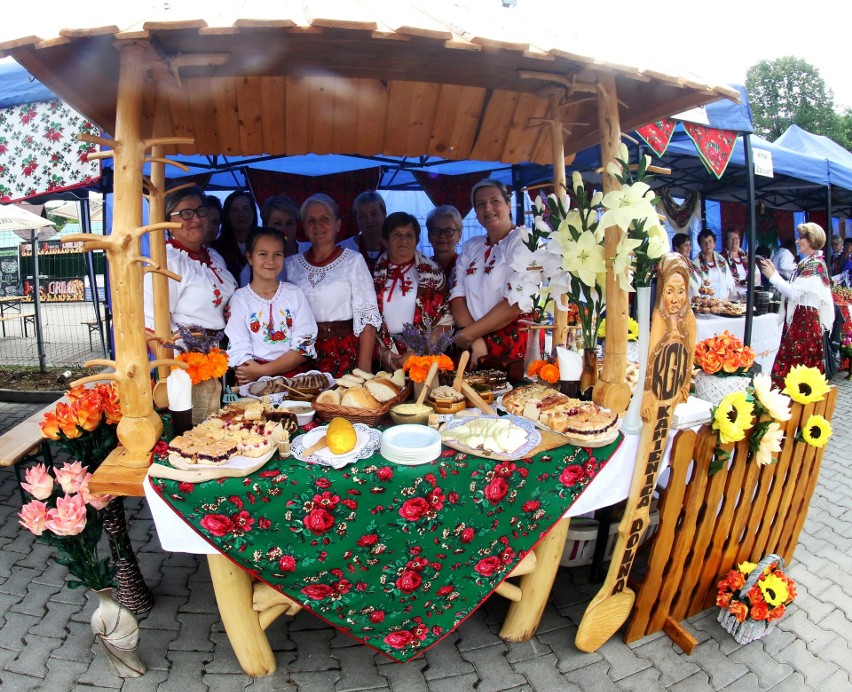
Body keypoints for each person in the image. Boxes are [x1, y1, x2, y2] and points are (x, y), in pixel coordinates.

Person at [285, 193, 381, 377]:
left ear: (337, 225)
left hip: (342, 353)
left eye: (325, 219)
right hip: (299, 354)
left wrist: (363, 371)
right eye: (310, 220)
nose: (317, 225)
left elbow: (367, 319)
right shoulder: (290, 265)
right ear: (304, 227)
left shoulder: (353, 261)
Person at [450, 178, 529, 367]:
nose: (488, 209)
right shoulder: (472, 246)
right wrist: (476, 341)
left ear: (508, 204)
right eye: (480, 204)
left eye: (495, 201)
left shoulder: (523, 240)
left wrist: (468, 334)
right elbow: (457, 296)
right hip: (473, 343)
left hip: (512, 342)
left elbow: (516, 302)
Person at [225, 228, 318, 386]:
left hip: (294, 376)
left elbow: (304, 345)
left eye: (277, 254)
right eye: (262, 254)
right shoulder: (240, 299)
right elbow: (239, 346)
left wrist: (264, 370)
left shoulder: (295, 294)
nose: (271, 260)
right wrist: (253, 371)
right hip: (253, 378)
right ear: (250, 258)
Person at [143, 186, 237, 333]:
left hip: (226, 349)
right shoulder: (166, 262)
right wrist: (183, 355)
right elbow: (151, 325)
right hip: (189, 352)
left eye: (201, 210)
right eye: (186, 213)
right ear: (167, 222)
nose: (197, 219)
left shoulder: (215, 257)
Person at [758, 222, 834, 389]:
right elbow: (795, 289)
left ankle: (797, 409)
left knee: (796, 371)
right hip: (800, 323)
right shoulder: (807, 263)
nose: (797, 241)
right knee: (792, 370)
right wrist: (775, 273)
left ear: (812, 241)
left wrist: (773, 277)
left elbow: (794, 293)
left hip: (805, 325)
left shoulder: (816, 266)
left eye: (801, 238)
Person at [373, 212, 453, 370]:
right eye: (396, 234)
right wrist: (381, 353)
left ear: (416, 240)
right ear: (385, 240)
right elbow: (365, 324)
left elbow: (446, 323)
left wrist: (418, 352)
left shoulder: (434, 275)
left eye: (409, 235)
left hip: (424, 358)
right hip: (387, 361)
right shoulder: (372, 276)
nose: (403, 240)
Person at [641, 253, 696, 421]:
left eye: (681, 291)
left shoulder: (689, 321)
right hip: (657, 394)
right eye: (669, 291)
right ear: (661, 291)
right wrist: (648, 394)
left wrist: (684, 387)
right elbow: (652, 360)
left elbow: (690, 356)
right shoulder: (659, 319)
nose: (675, 300)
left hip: (675, 394)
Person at [212, 189, 260, 285]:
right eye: (235, 210)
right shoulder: (216, 249)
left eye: (245, 209)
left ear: (253, 213)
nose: (241, 215)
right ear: (227, 216)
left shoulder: (264, 244)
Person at [342, 190, 386, 272]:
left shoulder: (395, 248)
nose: (369, 220)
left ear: (384, 215)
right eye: (362, 216)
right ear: (356, 219)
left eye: (374, 214)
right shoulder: (343, 250)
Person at [693, 228, 734, 300]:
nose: (708, 245)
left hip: (723, 302)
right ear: (700, 245)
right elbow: (695, 286)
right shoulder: (695, 263)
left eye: (710, 241)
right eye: (704, 242)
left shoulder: (721, 260)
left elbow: (729, 281)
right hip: (706, 304)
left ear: (714, 243)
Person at [426, 205, 463, 282]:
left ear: (459, 236)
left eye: (449, 231)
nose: (442, 236)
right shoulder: (422, 267)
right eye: (436, 230)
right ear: (428, 236)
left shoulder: (465, 267)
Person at [672, 232, 701, 297]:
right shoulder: (674, 265)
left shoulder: (690, 264)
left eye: (689, 245)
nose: (689, 248)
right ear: (677, 247)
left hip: (695, 303)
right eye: (686, 245)